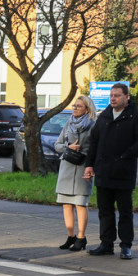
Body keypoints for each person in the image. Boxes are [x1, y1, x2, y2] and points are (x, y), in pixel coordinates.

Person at [84, 82, 138, 259]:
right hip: (104, 171)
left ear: (127, 97)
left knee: (125, 212)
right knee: (104, 211)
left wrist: (125, 156)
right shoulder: (104, 116)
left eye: (117, 95)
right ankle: (106, 244)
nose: (113, 98)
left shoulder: (135, 117)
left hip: (123, 172)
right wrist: (90, 165)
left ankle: (126, 245)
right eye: (111, 95)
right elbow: (94, 142)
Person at [54, 95, 97, 252]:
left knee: (80, 204)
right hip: (66, 167)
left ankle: (81, 237)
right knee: (66, 204)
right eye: (74, 106)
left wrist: (92, 166)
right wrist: (68, 146)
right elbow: (57, 145)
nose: (75, 108)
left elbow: (95, 148)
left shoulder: (93, 125)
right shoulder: (69, 123)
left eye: (79, 106)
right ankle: (70, 236)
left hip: (83, 167)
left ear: (87, 108)